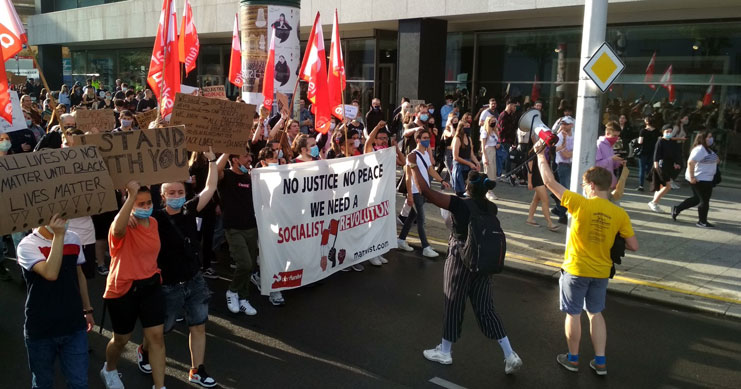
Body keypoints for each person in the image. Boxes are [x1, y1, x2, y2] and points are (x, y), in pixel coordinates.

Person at [409, 159, 523, 374]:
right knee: (486, 309)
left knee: (454, 303)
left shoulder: (459, 204)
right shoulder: (492, 207)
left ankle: (445, 352)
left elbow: (425, 191)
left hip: (459, 258)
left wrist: (413, 166)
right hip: (482, 262)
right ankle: (510, 354)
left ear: (468, 187)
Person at [535, 150, 638, 377]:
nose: (583, 189)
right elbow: (633, 246)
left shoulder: (580, 203)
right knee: (595, 313)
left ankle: (572, 360)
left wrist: (541, 155)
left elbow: (549, 181)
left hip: (576, 270)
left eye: (584, 185)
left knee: (573, 314)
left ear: (591, 185)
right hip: (601, 272)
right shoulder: (619, 214)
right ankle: (600, 362)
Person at [154, 147, 218, 387]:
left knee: (198, 326)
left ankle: (197, 370)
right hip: (168, 285)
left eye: (180, 191)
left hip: (194, 280)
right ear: (163, 196)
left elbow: (210, 188)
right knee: (162, 329)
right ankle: (144, 349)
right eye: (171, 192)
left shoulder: (190, 209)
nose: (176, 195)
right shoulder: (155, 219)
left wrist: (211, 160)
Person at [17, 215, 95, 389]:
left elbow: (79, 275)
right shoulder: (27, 245)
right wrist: (59, 237)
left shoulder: (74, 238)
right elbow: (51, 273)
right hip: (41, 329)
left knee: (79, 383)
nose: (61, 219)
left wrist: (87, 309)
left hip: (74, 325)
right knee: (43, 383)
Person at [101, 182, 166, 389]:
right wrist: (129, 200)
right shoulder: (122, 224)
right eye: (141, 204)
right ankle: (109, 369)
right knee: (121, 339)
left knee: (156, 336)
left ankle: (159, 386)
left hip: (151, 285)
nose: (146, 207)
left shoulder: (154, 223)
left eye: (149, 203)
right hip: (123, 288)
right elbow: (118, 231)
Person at [216, 150, 266, 312]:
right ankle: (232, 291)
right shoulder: (226, 176)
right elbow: (215, 171)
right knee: (244, 263)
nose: (250, 159)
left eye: (250, 156)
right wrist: (227, 150)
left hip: (251, 227)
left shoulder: (250, 177)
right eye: (246, 156)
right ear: (235, 159)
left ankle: (244, 299)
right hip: (233, 228)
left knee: (250, 265)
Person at [397, 128, 450, 258]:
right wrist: (409, 194)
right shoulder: (412, 156)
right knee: (421, 219)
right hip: (415, 192)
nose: (427, 141)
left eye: (428, 138)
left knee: (411, 218)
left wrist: (441, 180)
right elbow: (408, 177)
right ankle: (425, 247)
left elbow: (431, 170)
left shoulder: (426, 154)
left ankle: (401, 240)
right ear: (418, 140)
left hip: (424, 190)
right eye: (425, 138)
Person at [672, 131, 719, 228]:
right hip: (700, 178)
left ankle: (677, 208)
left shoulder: (708, 150)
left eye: (711, 137)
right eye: (708, 137)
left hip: (707, 178)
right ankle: (702, 221)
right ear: (703, 138)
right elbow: (691, 162)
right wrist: (692, 177)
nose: (711, 139)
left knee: (697, 199)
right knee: (704, 201)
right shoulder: (699, 149)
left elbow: (717, 160)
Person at [648, 126, 681, 213]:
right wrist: (656, 167)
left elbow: (672, 154)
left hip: (668, 165)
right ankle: (653, 202)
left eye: (670, 131)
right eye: (667, 131)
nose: (669, 133)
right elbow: (656, 154)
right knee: (667, 186)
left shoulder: (671, 142)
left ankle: (655, 203)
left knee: (661, 186)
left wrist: (675, 163)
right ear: (663, 132)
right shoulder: (660, 141)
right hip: (661, 165)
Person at [551, 116, 574, 224]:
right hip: (563, 165)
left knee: (567, 190)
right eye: (562, 124)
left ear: (571, 125)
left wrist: (572, 153)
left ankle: (559, 210)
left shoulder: (575, 136)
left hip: (572, 165)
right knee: (566, 190)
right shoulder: (559, 137)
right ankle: (560, 211)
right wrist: (574, 152)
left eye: (566, 124)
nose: (563, 126)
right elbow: (565, 155)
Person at [451, 114, 480, 197]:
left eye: (469, 126)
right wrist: (469, 164)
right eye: (466, 126)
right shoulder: (457, 139)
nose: (468, 128)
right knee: (460, 192)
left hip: (467, 167)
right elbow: (455, 157)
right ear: (461, 128)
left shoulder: (469, 138)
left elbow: (471, 154)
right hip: (459, 167)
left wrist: (476, 162)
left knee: (468, 191)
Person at [595, 121, 624, 189]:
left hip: (609, 182)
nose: (616, 138)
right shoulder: (599, 144)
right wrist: (611, 159)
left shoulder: (610, 145)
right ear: (607, 133)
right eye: (614, 136)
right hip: (601, 183)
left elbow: (611, 165)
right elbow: (597, 164)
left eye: (617, 136)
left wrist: (618, 162)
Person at [636, 116, 659, 191]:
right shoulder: (657, 131)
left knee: (642, 169)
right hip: (653, 152)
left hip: (643, 151)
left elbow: (640, 142)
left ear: (646, 122)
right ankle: (651, 185)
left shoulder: (643, 131)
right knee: (650, 169)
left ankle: (641, 185)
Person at [479, 116, 499, 200]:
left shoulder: (494, 131)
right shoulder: (485, 132)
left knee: (493, 171)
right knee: (488, 171)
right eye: (492, 121)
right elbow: (483, 146)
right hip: (487, 151)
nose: (493, 122)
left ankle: (489, 190)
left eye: (494, 121)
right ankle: (487, 191)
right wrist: (485, 157)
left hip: (493, 151)